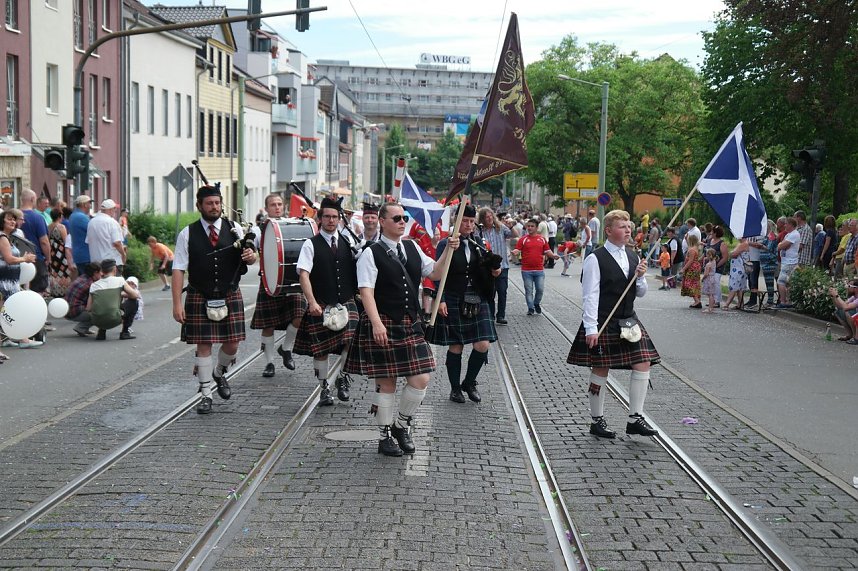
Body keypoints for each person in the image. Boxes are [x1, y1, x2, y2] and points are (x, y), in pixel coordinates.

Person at [345, 203, 459, 456]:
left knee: (421, 379)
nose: (401, 221)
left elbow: (436, 273)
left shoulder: (412, 246)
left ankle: (401, 425)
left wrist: (447, 252)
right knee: (386, 384)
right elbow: (366, 291)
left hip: (409, 324)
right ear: (382, 222)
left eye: (404, 217)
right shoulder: (370, 253)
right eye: (396, 218)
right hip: (384, 322)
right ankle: (384, 435)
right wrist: (375, 322)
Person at [566, 209, 659, 439]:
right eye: (622, 226)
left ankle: (634, 418)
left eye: (629, 225)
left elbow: (642, 292)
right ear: (608, 231)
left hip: (628, 319)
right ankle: (597, 420)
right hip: (604, 320)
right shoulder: (594, 259)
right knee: (600, 367)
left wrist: (639, 277)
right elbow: (590, 295)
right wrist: (591, 328)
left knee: (643, 363)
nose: (628, 229)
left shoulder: (634, 257)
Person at [172, 184, 257, 414]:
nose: (214, 207)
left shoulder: (235, 228)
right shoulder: (187, 233)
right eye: (209, 203)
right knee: (204, 345)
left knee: (233, 343)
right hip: (200, 294)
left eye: (217, 203)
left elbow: (250, 256)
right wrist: (177, 304)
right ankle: (206, 394)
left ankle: (219, 372)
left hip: (229, 293)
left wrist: (251, 256)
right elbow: (178, 268)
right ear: (199, 206)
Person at [429, 204, 501, 404]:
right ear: (456, 221)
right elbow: (437, 273)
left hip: (477, 296)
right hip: (453, 296)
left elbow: (488, 270)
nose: (469, 225)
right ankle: (454, 389)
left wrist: (495, 271)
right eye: (465, 221)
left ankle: (469, 382)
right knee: (456, 346)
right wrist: (440, 299)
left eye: (471, 221)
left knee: (482, 344)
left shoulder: (479, 242)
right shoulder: (446, 244)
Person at [293, 196, 360, 406]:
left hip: (346, 301)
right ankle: (324, 387)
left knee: (352, 340)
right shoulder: (310, 245)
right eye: (327, 217)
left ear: (340, 219)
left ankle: (342, 377)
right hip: (321, 303)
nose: (331, 220)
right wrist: (311, 302)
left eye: (335, 217)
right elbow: (303, 274)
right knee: (321, 350)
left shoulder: (349, 242)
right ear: (320, 219)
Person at [251, 194, 307, 380]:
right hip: (270, 281)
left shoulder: (291, 224)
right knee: (269, 325)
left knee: (299, 317)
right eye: (273, 205)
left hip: (292, 280)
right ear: (266, 209)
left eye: (279, 204)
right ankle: (269, 362)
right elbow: (251, 249)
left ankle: (286, 348)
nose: (277, 207)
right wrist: (250, 253)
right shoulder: (259, 230)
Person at [0, 209, 41, 353]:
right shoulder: (2, 237)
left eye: (14, 219)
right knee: (13, 309)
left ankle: (5, 339)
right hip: (5, 280)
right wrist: (25, 259)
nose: (12, 221)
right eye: (9, 219)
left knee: (5, 310)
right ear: (2, 221)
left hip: (9, 279)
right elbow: (9, 259)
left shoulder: (7, 237)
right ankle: (23, 339)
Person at [511, 218, 560, 315]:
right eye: (528, 226)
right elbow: (517, 249)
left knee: (540, 289)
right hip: (526, 270)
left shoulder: (542, 239)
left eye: (532, 226)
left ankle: (536, 303)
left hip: (539, 270)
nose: (529, 228)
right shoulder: (523, 239)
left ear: (537, 228)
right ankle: (530, 308)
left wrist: (553, 256)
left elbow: (548, 251)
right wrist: (515, 252)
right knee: (529, 290)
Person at [478, 206, 516, 325]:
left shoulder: (500, 227)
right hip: (488, 267)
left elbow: (513, 235)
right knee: (490, 292)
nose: (489, 219)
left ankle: (501, 315)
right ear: (482, 219)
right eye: (486, 217)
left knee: (502, 291)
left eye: (490, 216)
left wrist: (512, 226)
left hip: (502, 265)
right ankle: (490, 315)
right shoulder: (480, 231)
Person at [87, 259, 140, 341]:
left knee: (103, 306)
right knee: (134, 302)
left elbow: (88, 308)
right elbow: (135, 295)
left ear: (102, 271)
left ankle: (101, 331)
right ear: (115, 269)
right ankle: (125, 332)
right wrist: (121, 294)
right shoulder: (120, 280)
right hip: (114, 319)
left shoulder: (94, 285)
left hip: (97, 321)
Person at [19, 189, 51, 294]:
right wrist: (48, 258)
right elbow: (44, 241)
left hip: (15, 258)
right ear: (33, 199)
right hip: (35, 259)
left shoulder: (11, 216)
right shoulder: (38, 218)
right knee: (37, 291)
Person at [86, 199, 126, 273]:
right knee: (114, 284)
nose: (115, 211)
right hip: (111, 262)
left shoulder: (91, 222)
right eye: (114, 209)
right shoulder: (112, 222)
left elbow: (88, 241)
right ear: (110, 210)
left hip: (96, 263)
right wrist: (123, 254)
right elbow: (117, 243)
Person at [65, 262, 101, 336]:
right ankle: (81, 328)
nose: (102, 274)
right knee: (100, 313)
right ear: (95, 273)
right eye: (101, 272)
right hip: (74, 312)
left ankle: (83, 328)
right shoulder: (90, 284)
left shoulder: (82, 277)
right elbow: (95, 302)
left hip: (67, 310)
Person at [47, 208, 73, 298]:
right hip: (61, 253)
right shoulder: (61, 227)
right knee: (63, 272)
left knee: (54, 271)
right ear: (60, 216)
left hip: (52, 252)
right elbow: (66, 241)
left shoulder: (49, 226)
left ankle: (55, 291)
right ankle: (63, 291)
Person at [776, 217, 801, 308]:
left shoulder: (794, 234)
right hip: (786, 261)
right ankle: (788, 301)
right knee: (788, 282)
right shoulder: (788, 234)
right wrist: (781, 245)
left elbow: (781, 246)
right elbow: (780, 245)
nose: (785, 225)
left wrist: (781, 245)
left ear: (791, 225)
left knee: (781, 281)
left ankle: (783, 301)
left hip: (789, 262)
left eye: (786, 224)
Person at [69, 195, 92, 276]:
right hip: (85, 254)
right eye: (89, 203)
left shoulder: (73, 215)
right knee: (87, 282)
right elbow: (93, 231)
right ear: (84, 204)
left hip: (78, 253)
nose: (90, 205)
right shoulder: (81, 217)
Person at [724, 239, 749, 310]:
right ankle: (741, 304)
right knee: (739, 287)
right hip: (737, 267)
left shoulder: (743, 244)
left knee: (733, 285)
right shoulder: (741, 244)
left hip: (739, 268)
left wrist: (731, 252)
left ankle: (727, 304)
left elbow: (733, 254)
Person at [680, 234, 702, 308]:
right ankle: (697, 299)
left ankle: (697, 301)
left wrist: (683, 269)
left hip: (692, 268)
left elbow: (690, 261)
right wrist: (686, 238)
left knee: (689, 284)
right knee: (695, 283)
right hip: (695, 267)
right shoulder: (695, 248)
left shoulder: (692, 250)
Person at [701, 248, 720, 313]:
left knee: (710, 295)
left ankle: (710, 308)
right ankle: (712, 307)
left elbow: (706, 274)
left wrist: (702, 278)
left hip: (709, 279)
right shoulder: (714, 262)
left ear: (709, 255)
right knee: (712, 294)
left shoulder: (708, 264)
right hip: (713, 278)